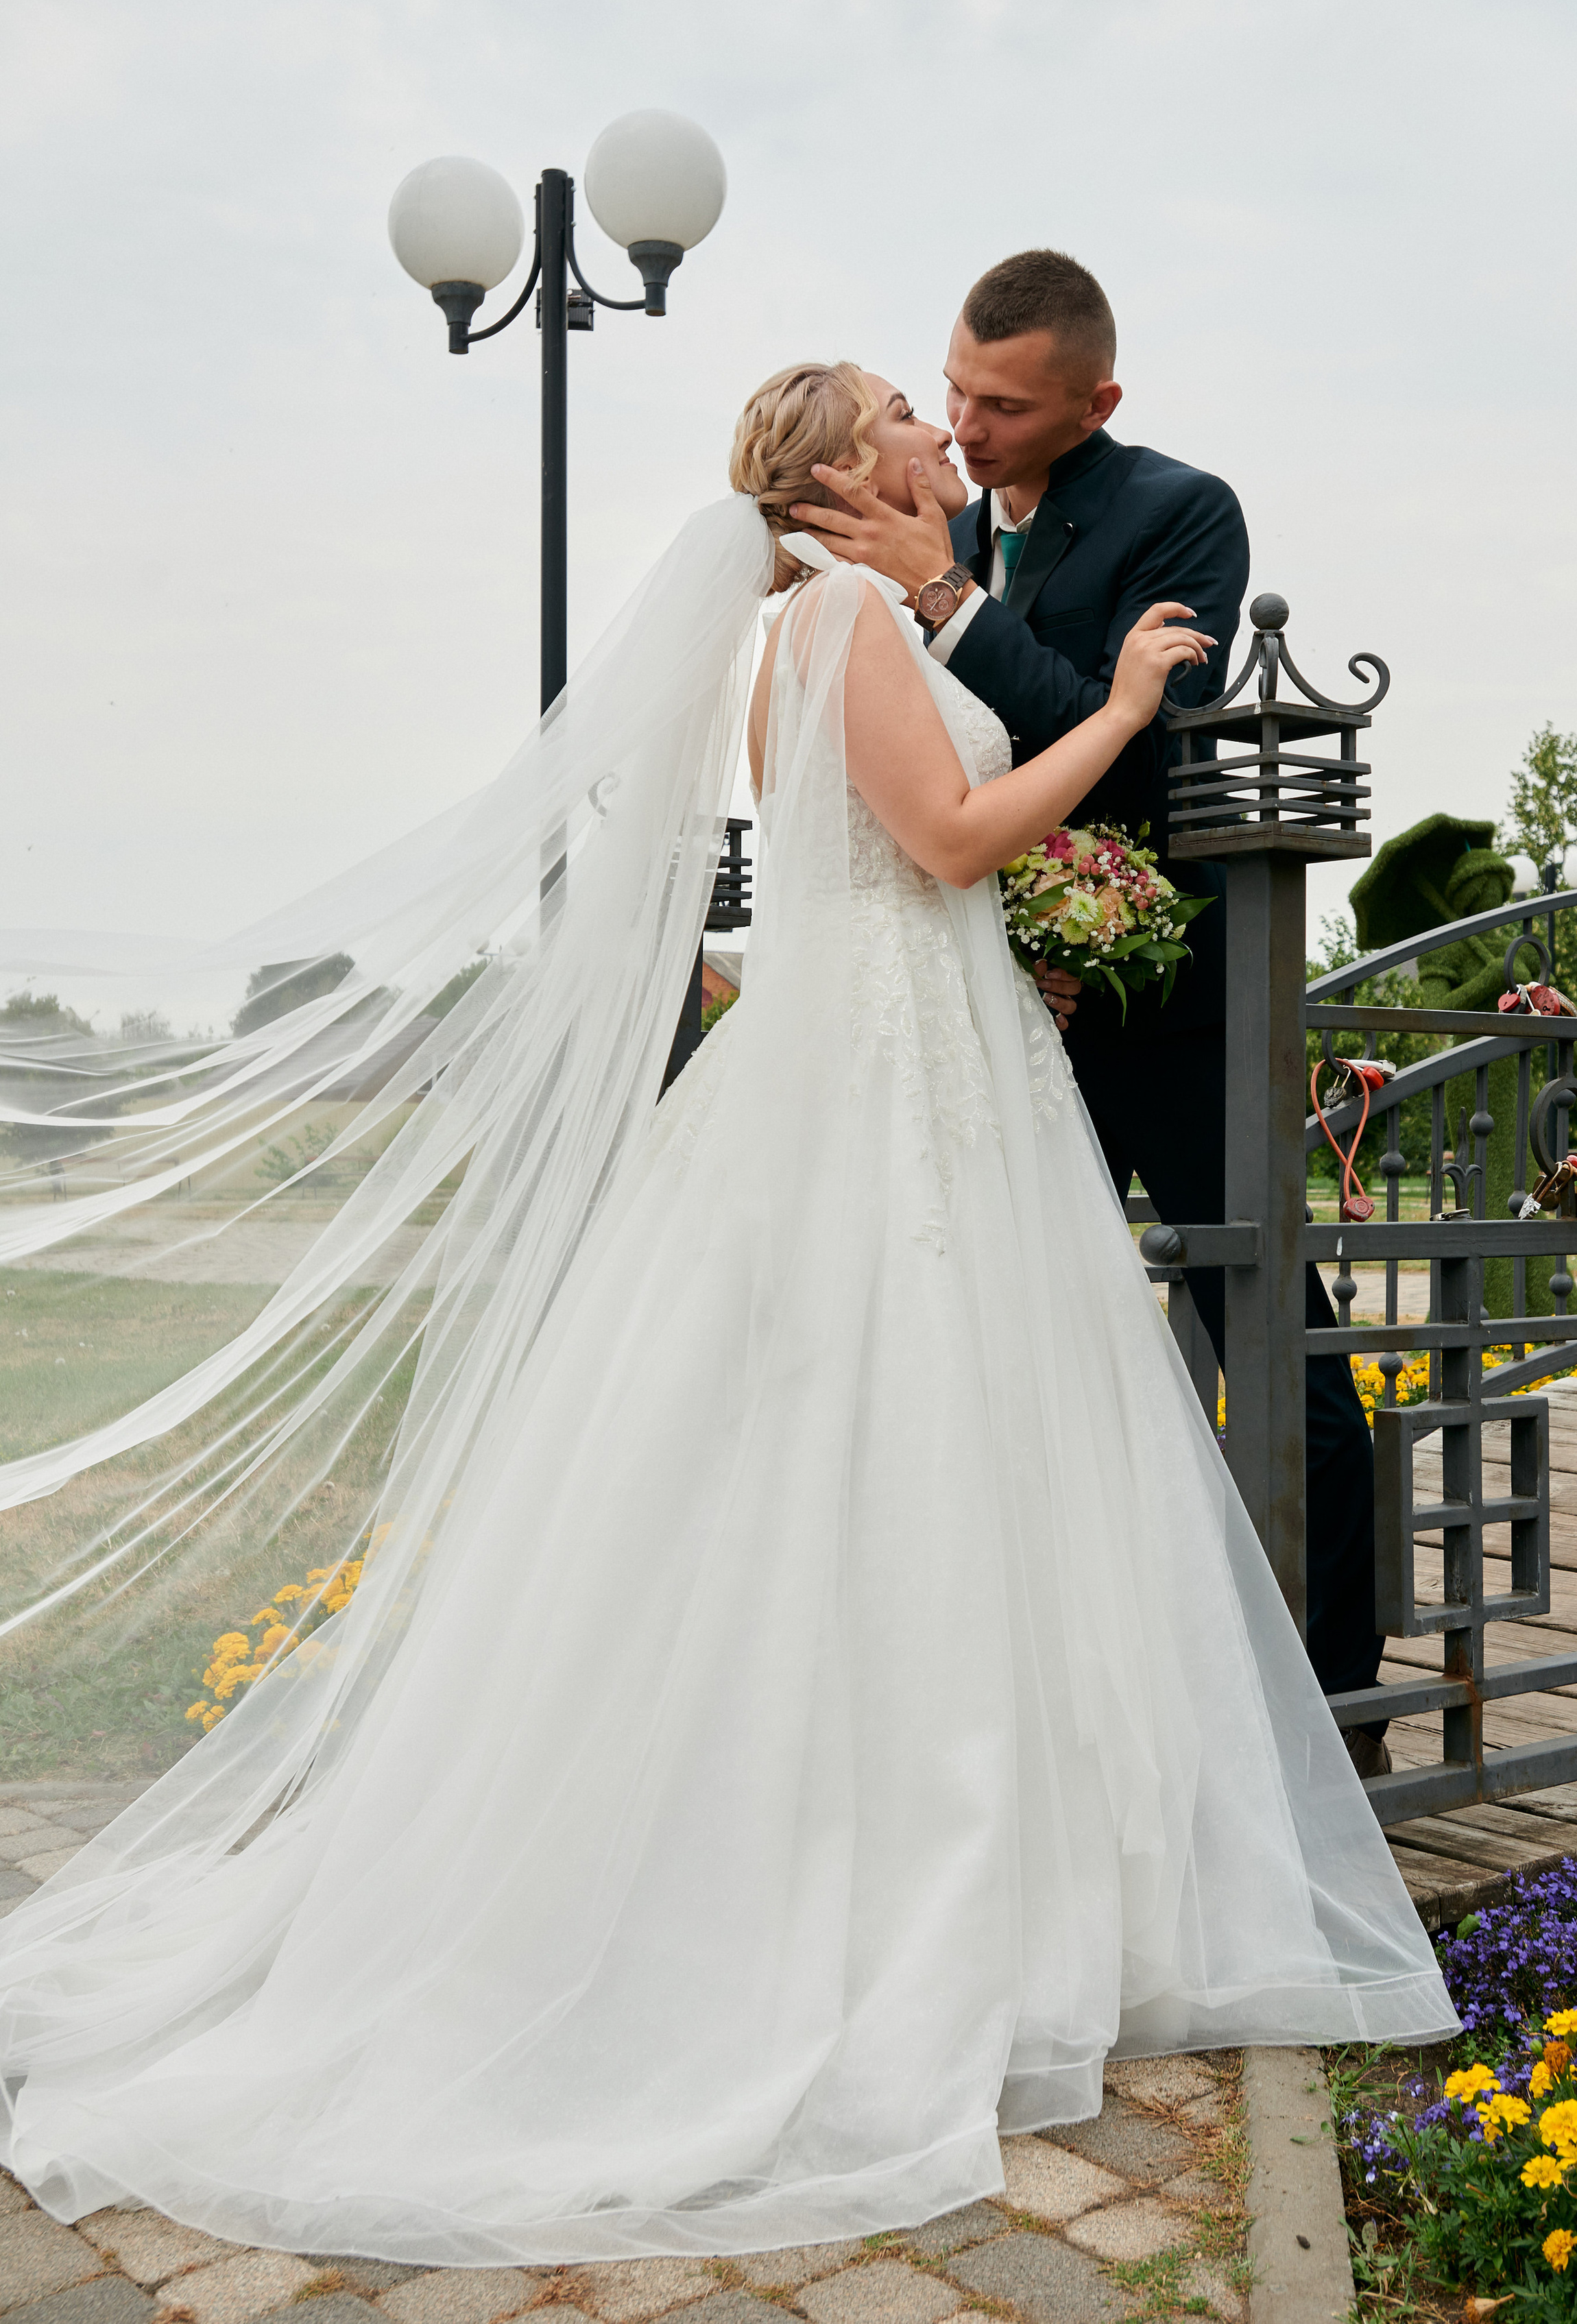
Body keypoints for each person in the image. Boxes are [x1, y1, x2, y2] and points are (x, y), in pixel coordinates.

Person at [0, 361, 1454, 2265]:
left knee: (902, 1460)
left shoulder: (822, 622)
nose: (945, 437)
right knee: (907, 1445)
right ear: (855, 470)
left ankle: (968, 1874)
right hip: (893, 1090)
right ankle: (882, 1909)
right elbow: (943, 842)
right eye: (910, 418)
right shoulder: (841, 613)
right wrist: (1111, 709)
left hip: (913, 1068)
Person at [788, 253, 1391, 1776]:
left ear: (1094, 402)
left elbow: (1134, 762)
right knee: (985, 1379)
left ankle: (1328, 1722)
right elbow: (934, 788)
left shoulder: (1173, 510)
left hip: (1167, 1020)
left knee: (1283, 1365)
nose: (969, 430)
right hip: (985, 1024)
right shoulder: (904, 520)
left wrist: (945, 598)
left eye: (1006, 406)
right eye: (955, 393)